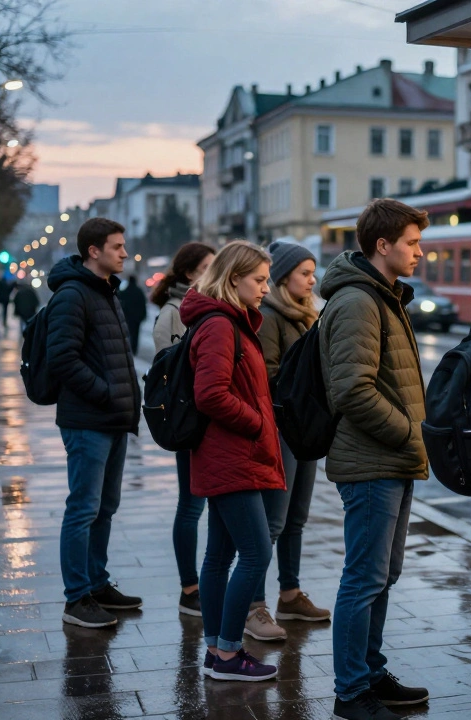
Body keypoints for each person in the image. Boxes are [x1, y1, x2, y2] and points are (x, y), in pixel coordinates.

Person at [319, 199, 433, 720]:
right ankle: (350, 691)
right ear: (381, 246)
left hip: (392, 459)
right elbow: (352, 390)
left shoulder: (383, 296)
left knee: (382, 575)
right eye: (411, 243)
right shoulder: (359, 302)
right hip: (372, 462)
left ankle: (370, 672)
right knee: (364, 578)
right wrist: (410, 433)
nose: (419, 252)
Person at [185, 240, 284, 682]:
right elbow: (211, 393)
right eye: (259, 280)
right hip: (233, 454)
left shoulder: (226, 321)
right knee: (256, 552)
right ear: (233, 278)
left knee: (219, 555)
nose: (265, 288)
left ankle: (215, 650)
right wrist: (256, 423)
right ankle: (228, 655)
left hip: (225, 454)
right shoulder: (222, 325)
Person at [46, 218, 143, 629]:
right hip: (89, 421)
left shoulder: (106, 293)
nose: (124, 253)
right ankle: (76, 598)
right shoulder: (73, 295)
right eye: (117, 247)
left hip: (113, 419)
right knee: (83, 508)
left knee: (105, 506)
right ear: (94, 251)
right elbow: (62, 358)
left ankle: (97, 583)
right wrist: (105, 392)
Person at [246, 239, 329, 643]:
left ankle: (290, 595)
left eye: (313, 273)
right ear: (283, 277)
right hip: (281, 429)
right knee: (273, 522)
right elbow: (270, 376)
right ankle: (253, 605)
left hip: (304, 428)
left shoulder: (304, 315)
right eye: (305, 273)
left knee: (296, 518)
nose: (312, 281)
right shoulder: (270, 316)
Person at [150, 242, 217, 618]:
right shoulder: (173, 314)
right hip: (190, 422)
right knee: (190, 506)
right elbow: (170, 377)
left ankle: (200, 585)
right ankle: (189, 588)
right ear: (190, 273)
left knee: (201, 505)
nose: (214, 271)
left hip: (208, 422)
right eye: (207, 266)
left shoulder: (205, 308)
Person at [119, 275, 148, 355]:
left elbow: (120, 302)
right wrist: (143, 315)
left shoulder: (125, 291)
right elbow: (143, 304)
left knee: (127, 333)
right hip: (137, 318)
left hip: (127, 317)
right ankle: (134, 349)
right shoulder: (139, 291)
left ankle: (127, 349)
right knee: (135, 334)